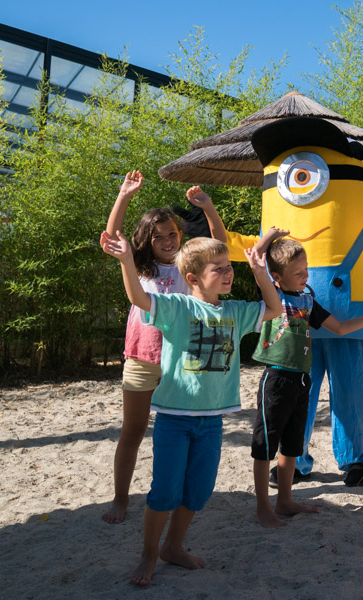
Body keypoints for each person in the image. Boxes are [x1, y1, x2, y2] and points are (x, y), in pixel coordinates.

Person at [99, 232, 280, 586]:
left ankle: (173, 548)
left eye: (229, 267)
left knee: (197, 492)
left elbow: (273, 309)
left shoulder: (236, 311)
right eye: (219, 269)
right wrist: (126, 262)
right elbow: (137, 296)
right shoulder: (178, 307)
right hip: (174, 420)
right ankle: (149, 555)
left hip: (212, 422)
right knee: (165, 492)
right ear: (193, 278)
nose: (228, 273)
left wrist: (261, 272)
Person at [101, 170, 228, 525]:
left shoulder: (190, 264)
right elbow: (112, 238)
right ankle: (121, 498)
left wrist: (208, 207)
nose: (168, 240)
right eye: (159, 236)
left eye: (173, 233)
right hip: (142, 356)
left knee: (182, 433)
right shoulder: (138, 264)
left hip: (181, 360)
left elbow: (220, 245)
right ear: (148, 239)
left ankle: (182, 498)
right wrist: (124, 195)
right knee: (133, 431)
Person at [250, 227, 363, 527]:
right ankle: (263, 506)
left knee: (292, 445)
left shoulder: (307, 301)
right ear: (277, 277)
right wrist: (271, 237)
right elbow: (255, 261)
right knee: (266, 445)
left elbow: (340, 328)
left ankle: (285, 500)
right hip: (276, 380)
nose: (305, 276)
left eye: (306, 269)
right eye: (297, 272)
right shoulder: (272, 296)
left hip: (302, 381)